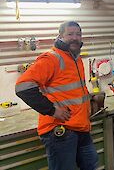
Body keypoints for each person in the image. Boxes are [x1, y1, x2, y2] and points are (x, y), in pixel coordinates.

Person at [15, 21, 101, 170]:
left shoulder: (76, 59)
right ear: (60, 36)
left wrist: (89, 100)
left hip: (81, 126)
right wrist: (53, 110)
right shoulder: (51, 58)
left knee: (91, 165)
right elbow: (23, 87)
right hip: (61, 130)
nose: (75, 38)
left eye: (78, 34)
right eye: (70, 34)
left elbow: (72, 90)